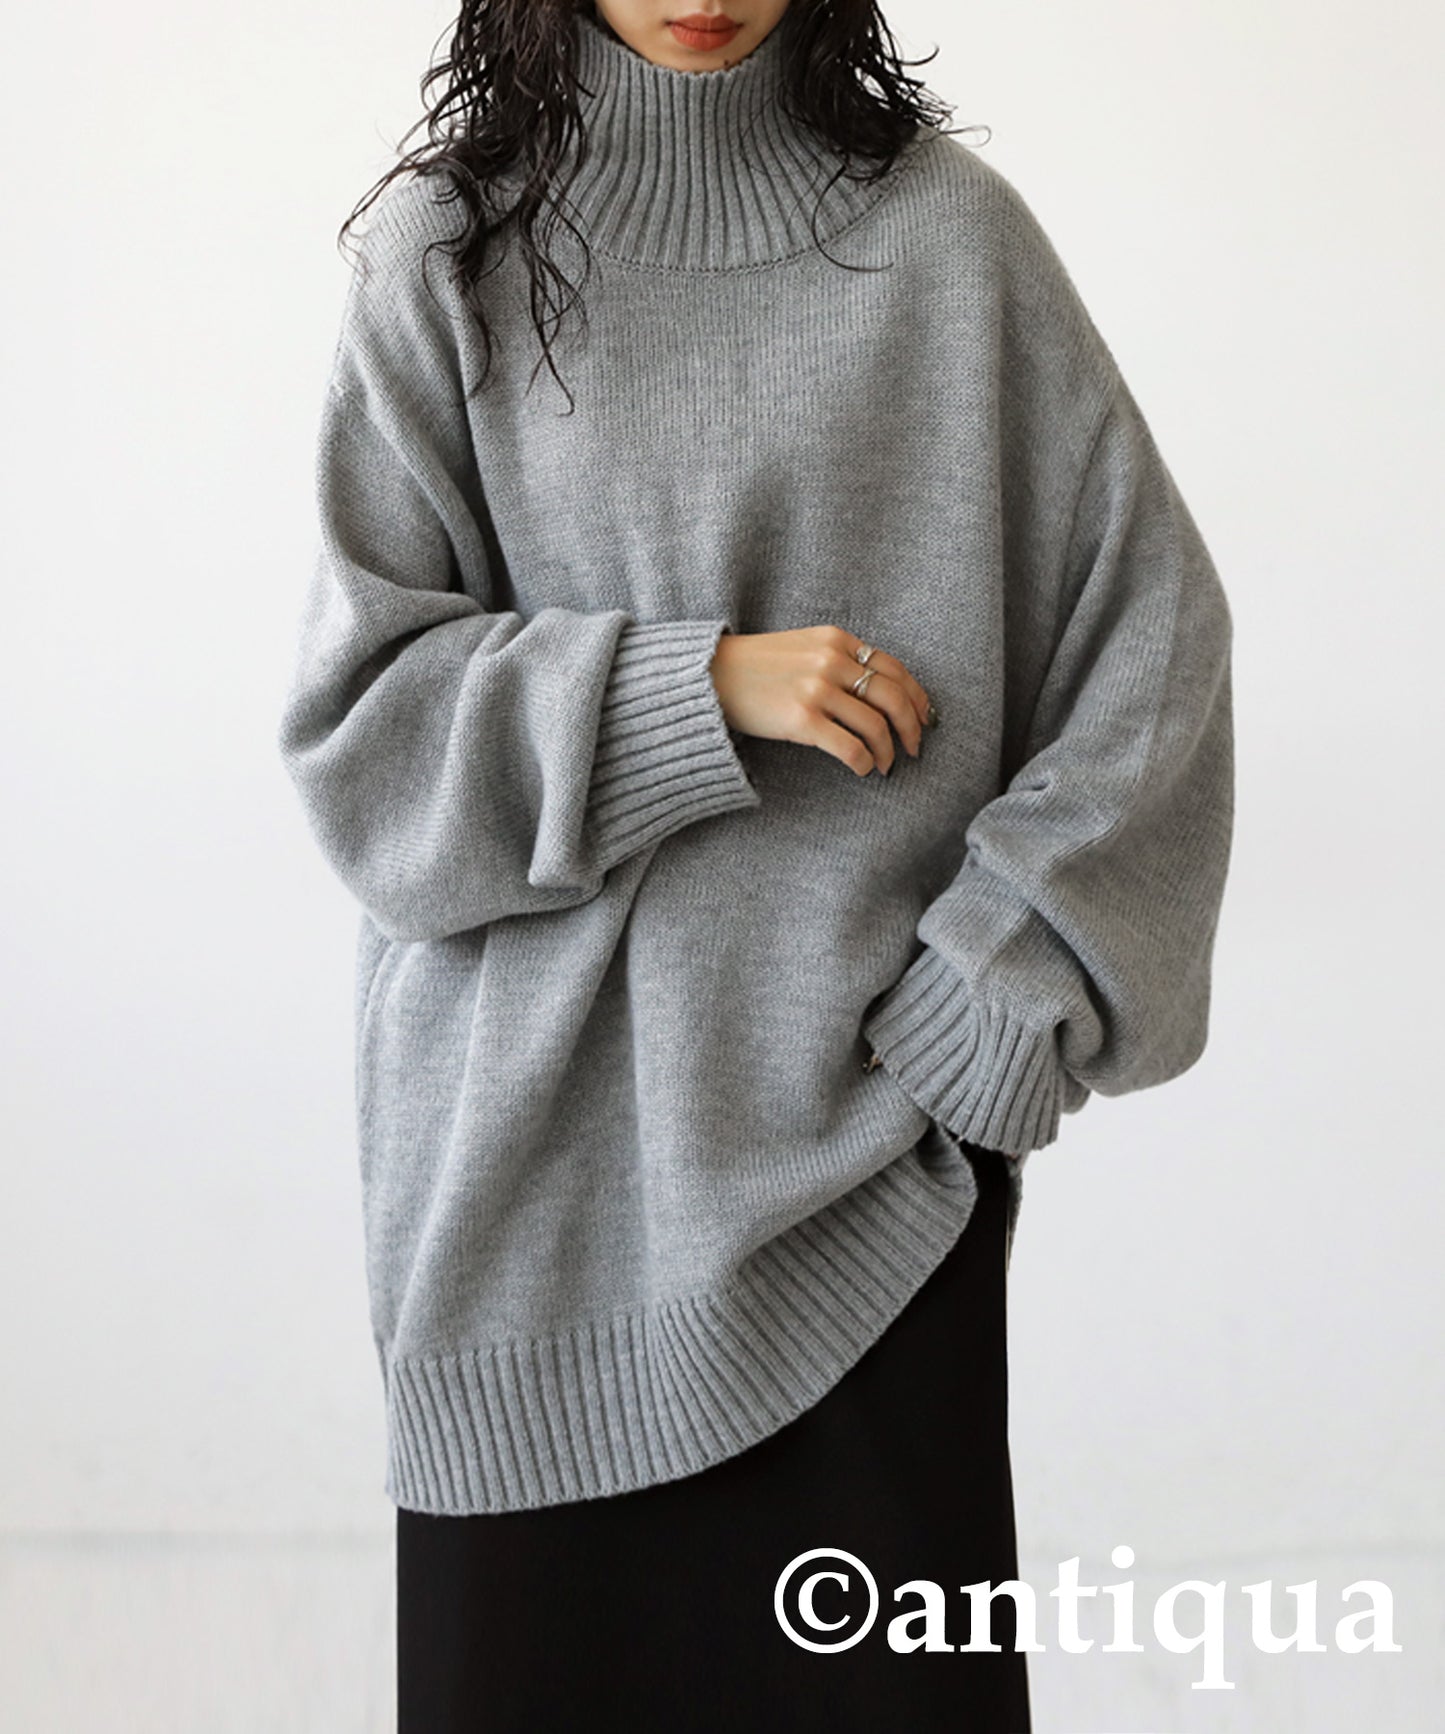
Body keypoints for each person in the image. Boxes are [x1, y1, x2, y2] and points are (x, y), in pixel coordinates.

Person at [275, 1, 1236, 1727]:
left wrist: (987, 1014)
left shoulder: (945, 241)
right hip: (521, 1226)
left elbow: (1151, 656)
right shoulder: (449, 252)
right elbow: (366, 740)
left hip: (865, 1193)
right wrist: (691, 687)